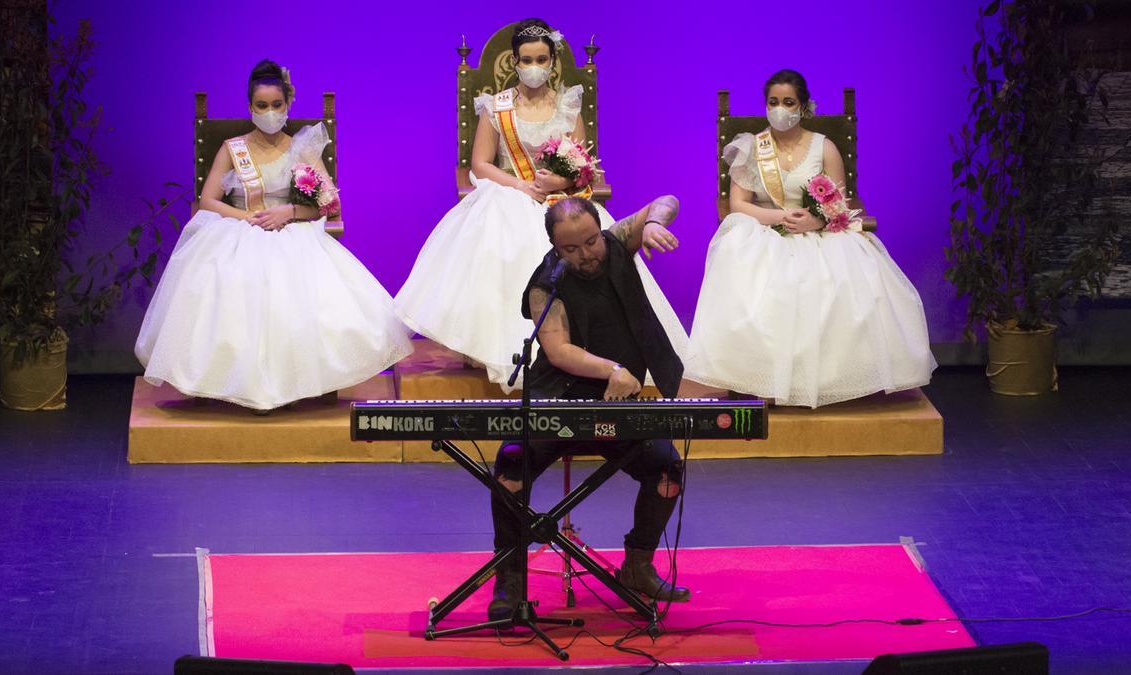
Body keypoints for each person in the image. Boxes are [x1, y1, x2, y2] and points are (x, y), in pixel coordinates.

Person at [395, 18, 688, 391]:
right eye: (526, 60)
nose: (534, 67)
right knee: (499, 240)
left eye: (541, 59)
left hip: (563, 202)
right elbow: (480, 164)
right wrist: (520, 184)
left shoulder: (568, 106)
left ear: (553, 61)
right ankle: (494, 348)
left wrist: (561, 181)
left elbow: (585, 165)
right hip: (509, 193)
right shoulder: (496, 107)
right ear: (515, 62)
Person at [135, 59, 413, 412]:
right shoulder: (232, 148)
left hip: (291, 231)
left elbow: (331, 204)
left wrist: (290, 212)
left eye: (276, 105)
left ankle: (303, 381)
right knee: (229, 284)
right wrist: (246, 218)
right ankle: (223, 380)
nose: (269, 112)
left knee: (298, 289)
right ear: (250, 107)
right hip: (240, 230)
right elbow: (207, 200)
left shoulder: (303, 148)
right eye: (262, 106)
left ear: (288, 105)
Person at [487, 195, 690, 622]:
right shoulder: (547, 284)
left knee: (667, 470)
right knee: (509, 468)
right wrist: (611, 368)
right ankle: (509, 578)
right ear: (555, 248)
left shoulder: (617, 243)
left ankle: (637, 566)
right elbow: (558, 350)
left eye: (591, 242)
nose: (586, 255)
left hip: (616, 403)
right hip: (558, 399)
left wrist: (652, 223)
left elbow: (666, 200)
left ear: (602, 230)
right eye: (571, 249)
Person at [683, 69, 936, 408]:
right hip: (765, 230)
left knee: (848, 279)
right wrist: (780, 217)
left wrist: (815, 220)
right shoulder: (751, 147)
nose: (780, 109)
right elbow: (738, 204)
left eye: (788, 102)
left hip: (818, 232)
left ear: (803, 107)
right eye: (773, 102)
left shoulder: (824, 147)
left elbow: (841, 202)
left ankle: (834, 379)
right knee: (744, 264)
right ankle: (757, 376)